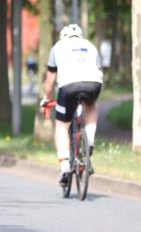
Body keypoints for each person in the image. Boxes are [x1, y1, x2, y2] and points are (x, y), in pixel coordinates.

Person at [40, 23, 104, 187]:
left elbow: (50, 81)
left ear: (63, 36)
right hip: (94, 84)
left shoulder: (57, 47)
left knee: (62, 126)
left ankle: (64, 167)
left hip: (68, 86)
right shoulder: (90, 46)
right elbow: (97, 69)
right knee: (91, 106)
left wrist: (47, 99)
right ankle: (89, 139)